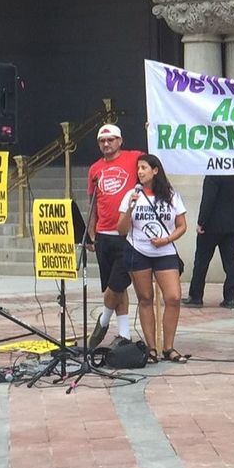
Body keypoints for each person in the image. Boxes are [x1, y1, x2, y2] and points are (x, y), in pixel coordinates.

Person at [117, 153, 188, 363]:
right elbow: (121, 229)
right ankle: (151, 349)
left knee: (173, 297)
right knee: (145, 299)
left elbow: (182, 225)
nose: (140, 172)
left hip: (164, 251)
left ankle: (169, 347)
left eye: (144, 168)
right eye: (138, 168)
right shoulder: (132, 195)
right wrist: (130, 207)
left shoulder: (171, 195)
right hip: (138, 250)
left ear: (155, 171)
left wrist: (167, 240)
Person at [85, 124, 142, 348]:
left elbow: (156, 161)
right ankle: (125, 334)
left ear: (120, 140)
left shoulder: (133, 158)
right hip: (102, 234)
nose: (106, 144)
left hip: (126, 234)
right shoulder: (94, 169)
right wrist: (91, 233)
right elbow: (92, 203)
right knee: (115, 286)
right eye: (102, 141)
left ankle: (104, 320)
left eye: (111, 139)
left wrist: (152, 128)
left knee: (117, 284)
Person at [183, 174, 234, 309]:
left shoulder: (212, 175)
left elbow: (208, 199)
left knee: (201, 261)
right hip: (232, 223)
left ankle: (196, 295)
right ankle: (230, 298)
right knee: (231, 262)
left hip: (211, 225)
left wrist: (201, 222)